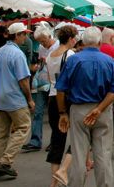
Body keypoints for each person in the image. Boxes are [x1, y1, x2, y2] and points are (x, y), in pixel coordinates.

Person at [56, 26, 114, 187]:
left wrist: (62, 112)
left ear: (83, 42)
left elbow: (61, 89)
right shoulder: (109, 61)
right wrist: (99, 109)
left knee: (78, 154)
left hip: (78, 109)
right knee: (103, 154)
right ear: (99, 42)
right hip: (103, 110)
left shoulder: (73, 60)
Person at [0, 22, 34, 179]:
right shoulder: (18, 54)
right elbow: (23, 80)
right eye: (24, 34)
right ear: (18, 35)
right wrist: (29, 99)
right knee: (23, 127)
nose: (25, 37)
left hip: (0, 95)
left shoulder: (0, 51)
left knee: (2, 133)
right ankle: (5, 161)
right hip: (14, 97)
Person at [46, 25, 77, 187]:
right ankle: (63, 169)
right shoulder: (70, 54)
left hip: (52, 97)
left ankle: (54, 182)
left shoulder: (51, 55)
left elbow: (50, 77)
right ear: (71, 39)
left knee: (57, 139)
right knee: (79, 135)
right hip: (66, 98)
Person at [22, 24, 58, 152]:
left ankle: (54, 142)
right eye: (40, 42)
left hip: (54, 83)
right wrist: (38, 65)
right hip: (41, 83)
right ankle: (35, 141)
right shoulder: (42, 48)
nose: (43, 44)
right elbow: (39, 63)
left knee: (54, 115)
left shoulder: (58, 46)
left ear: (49, 36)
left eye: (44, 41)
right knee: (37, 112)